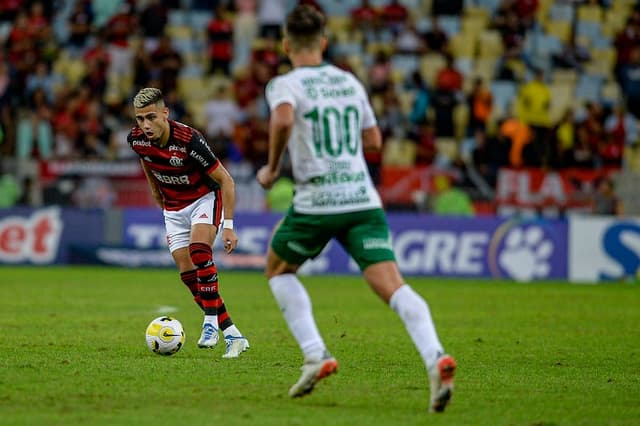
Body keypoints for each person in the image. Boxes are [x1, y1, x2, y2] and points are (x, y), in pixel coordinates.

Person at [256, 5, 456, 412]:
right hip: (362, 199)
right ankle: (436, 357)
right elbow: (375, 142)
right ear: (324, 43)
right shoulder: (349, 82)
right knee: (392, 285)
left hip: (318, 199)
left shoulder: (285, 84)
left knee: (278, 269)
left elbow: (281, 121)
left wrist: (274, 167)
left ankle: (315, 354)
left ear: (286, 44)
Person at [127, 87, 249, 358]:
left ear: (165, 114)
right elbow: (146, 160)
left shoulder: (189, 140)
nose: (145, 125)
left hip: (203, 199)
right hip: (173, 207)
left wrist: (228, 225)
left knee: (199, 250)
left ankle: (209, 322)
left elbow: (226, 180)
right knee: (187, 272)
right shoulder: (136, 139)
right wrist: (155, 191)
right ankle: (232, 333)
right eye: (139, 119)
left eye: (151, 117)